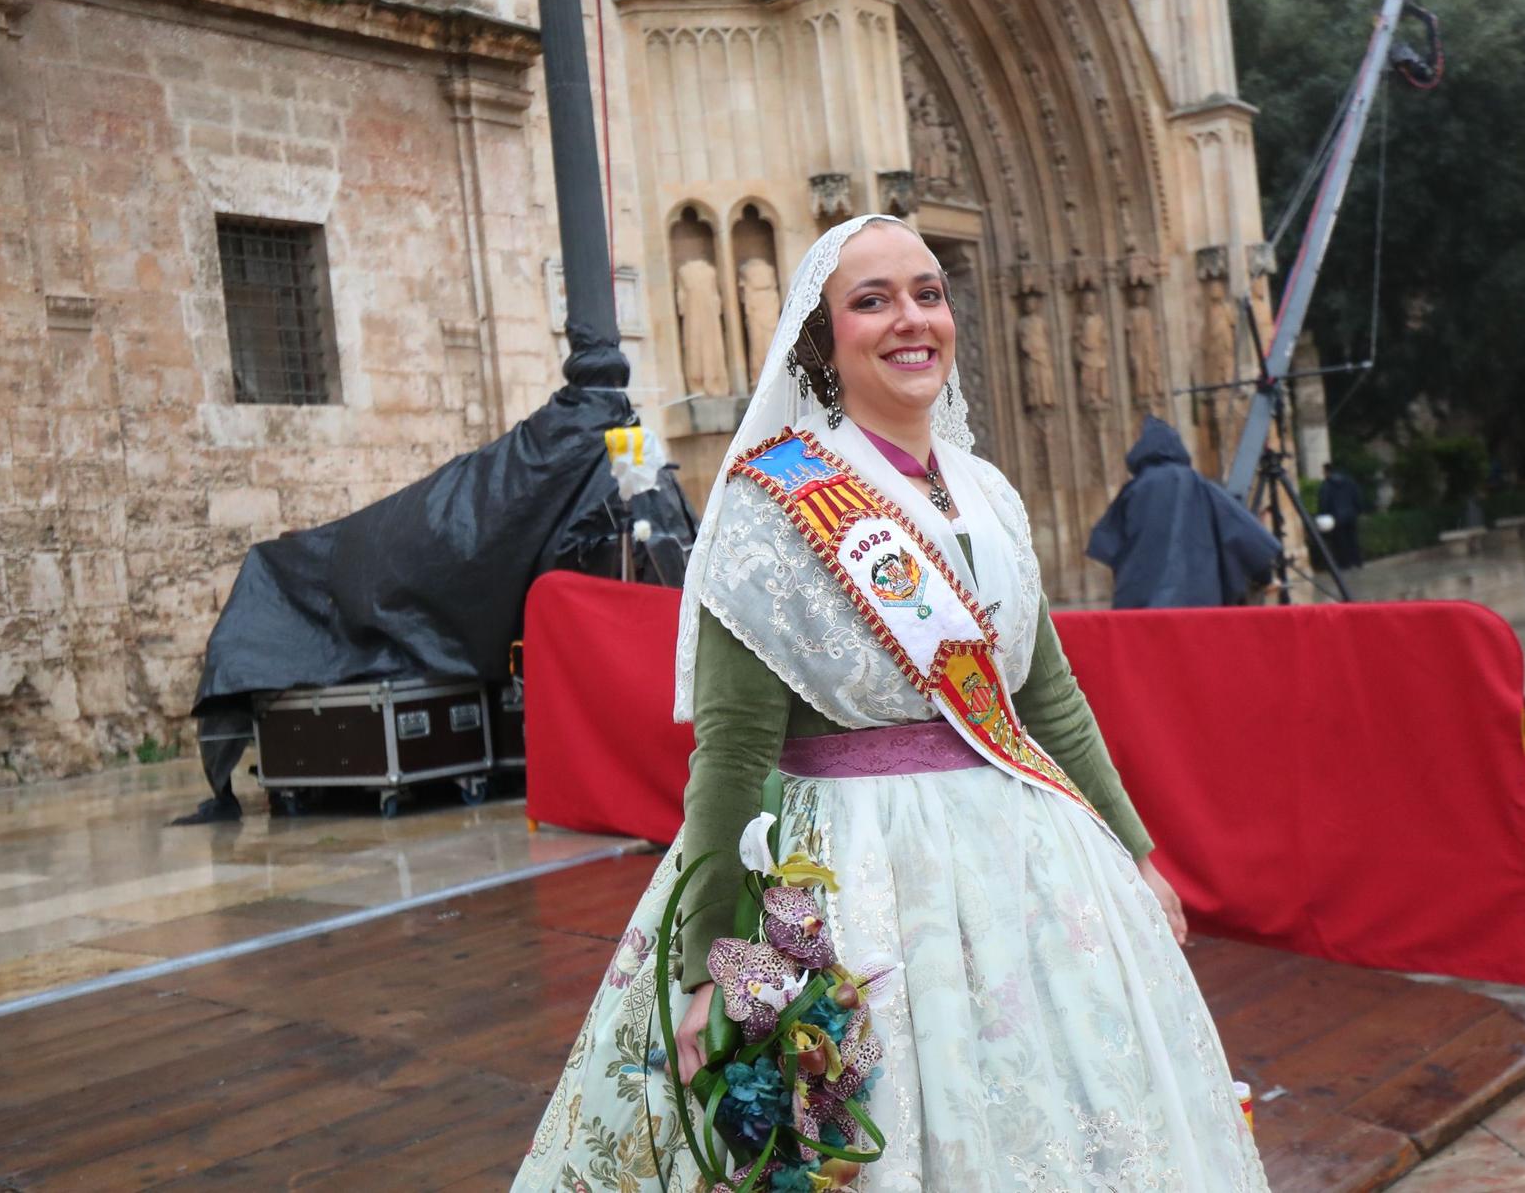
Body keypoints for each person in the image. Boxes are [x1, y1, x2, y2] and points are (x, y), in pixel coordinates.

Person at [510, 216, 1266, 1190]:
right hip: (846, 882)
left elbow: (1046, 697)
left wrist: (1138, 854)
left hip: (1027, 876)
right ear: (822, 341)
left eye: (926, 292)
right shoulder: (770, 504)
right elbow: (731, 759)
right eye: (871, 300)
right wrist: (710, 970)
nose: (910, 318)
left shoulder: (987, 492)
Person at [1085, 416, 1281, 605]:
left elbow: (1107, 544)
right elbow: (1247, 535)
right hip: (1197, 601)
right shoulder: (1199, 485)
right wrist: (1264, 577)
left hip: (1141, 606)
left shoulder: (1134, 490)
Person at [1316, 462, 1366, 571]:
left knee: (1340, 542)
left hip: (1336, 517)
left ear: (1326, 471)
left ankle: (1345, 564)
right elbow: (1357, 496)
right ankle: (1357, 561)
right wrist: (1358, 510)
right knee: (1353, 539)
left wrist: (1322, 515)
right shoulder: (1349, 481)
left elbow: (1323, 502)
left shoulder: (1326, 485)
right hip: (1351, 515)